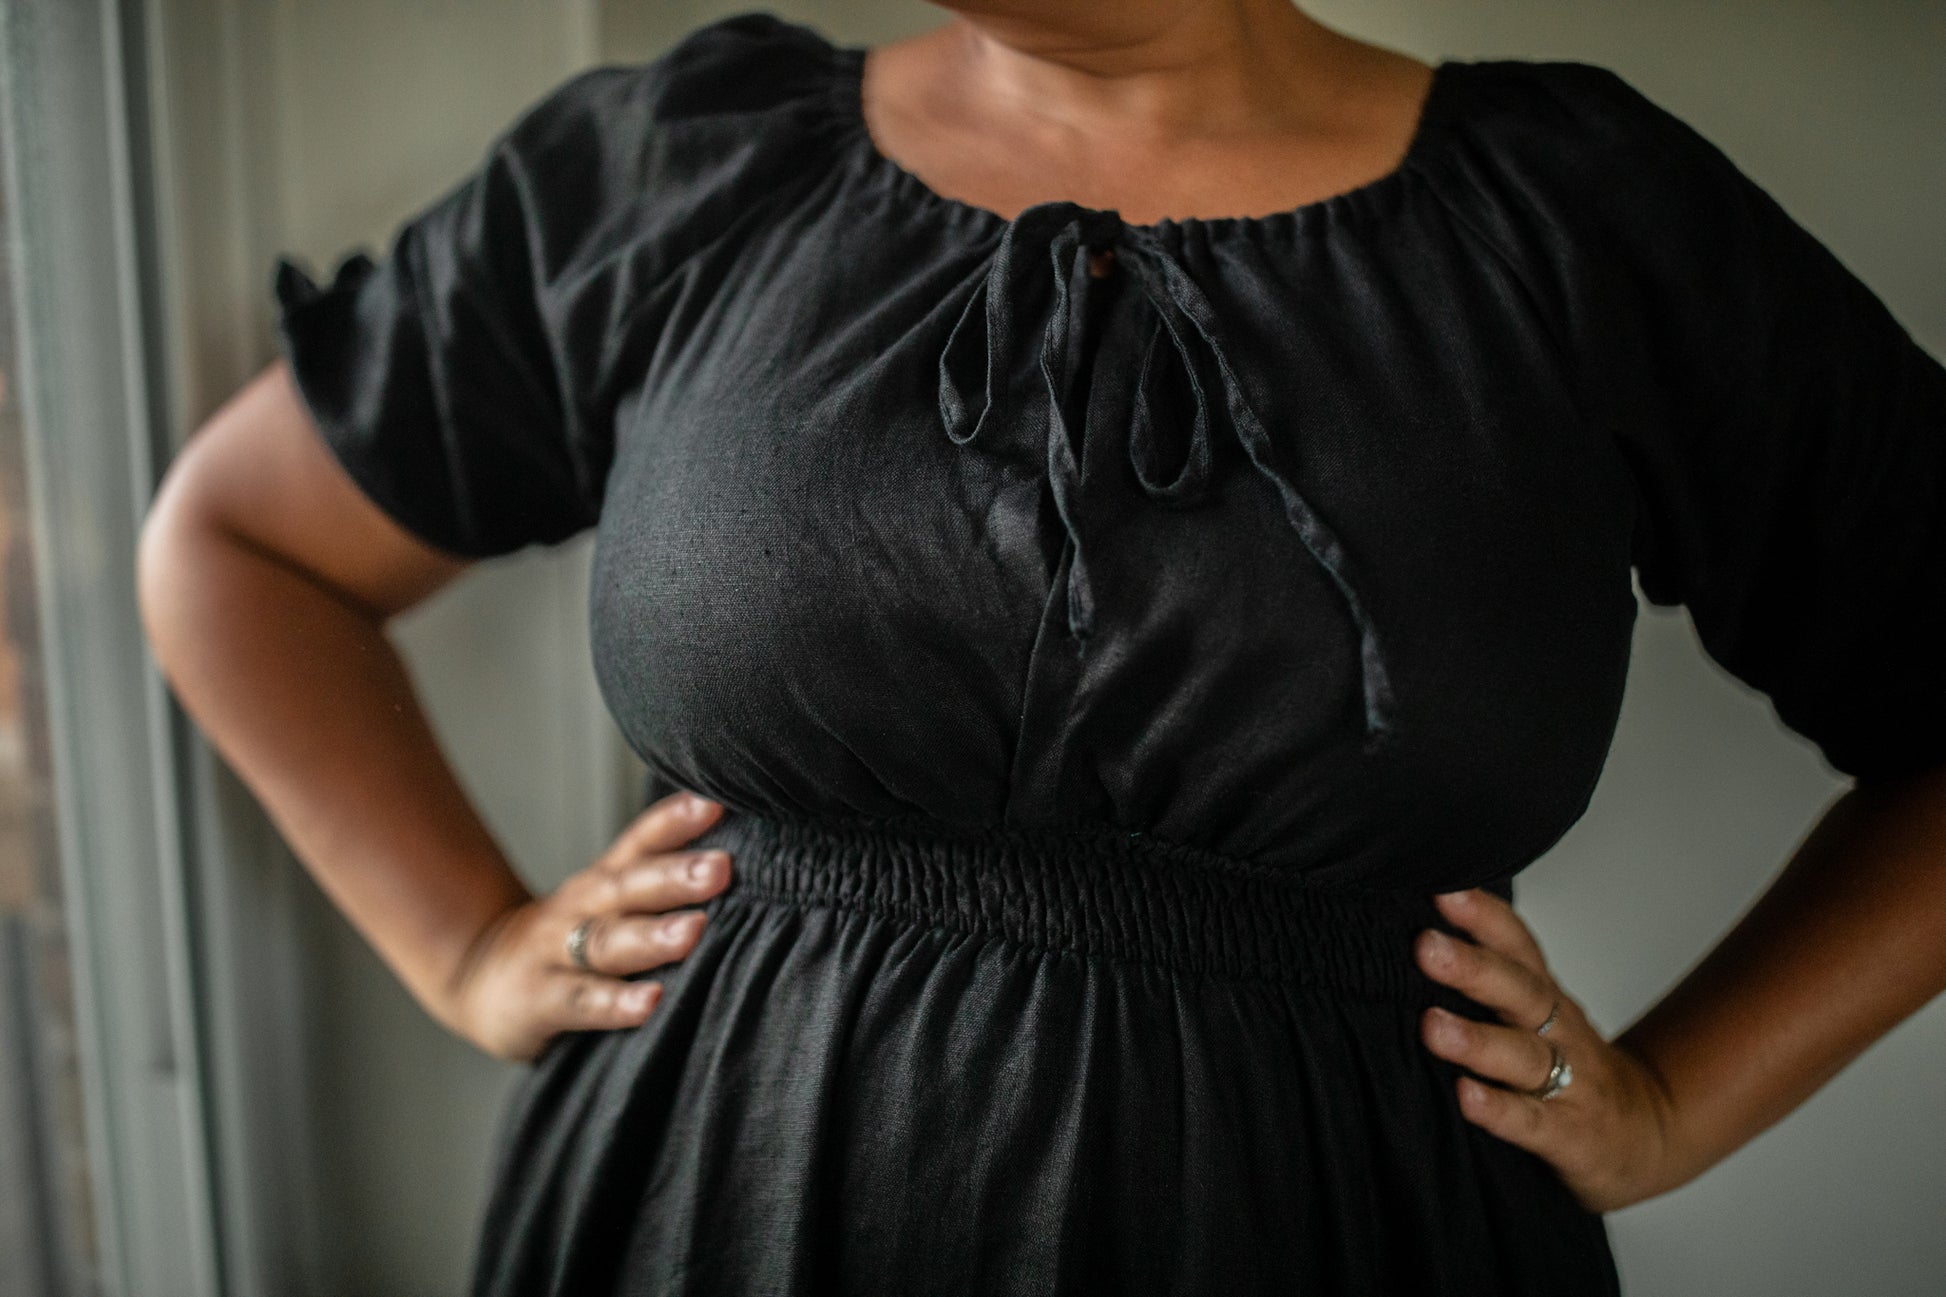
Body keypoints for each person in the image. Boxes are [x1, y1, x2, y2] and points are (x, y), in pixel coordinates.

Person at [135, 3, 1946, 1293]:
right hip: (713, 1209)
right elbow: (238, 545)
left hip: (1344, 1229)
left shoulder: (1580, 220)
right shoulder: (684, 165)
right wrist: (463, 943)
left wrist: (1674, 1107)